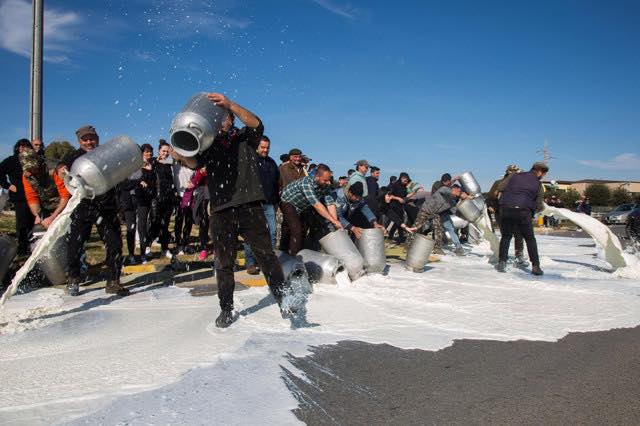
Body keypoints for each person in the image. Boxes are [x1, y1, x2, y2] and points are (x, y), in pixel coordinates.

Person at [171, 92, 291, 328]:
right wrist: (182, 157)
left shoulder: (244, 137)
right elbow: (196, 162)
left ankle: (283, 298)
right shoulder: (209, 141)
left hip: (250, 205)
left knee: (266, 256)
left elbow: (257, 122)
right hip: (221, 209)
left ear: (230, 118)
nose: (220, 120)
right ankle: (226, 308)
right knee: (224, 263)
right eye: (217, 116)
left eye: (223, 116)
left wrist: (230, 104)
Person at [62, 125, 128, 296]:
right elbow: (62, 171)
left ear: (97, 139)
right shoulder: (73, 157)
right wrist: (61, 170)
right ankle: (74, 279)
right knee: (75, 244)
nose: (89, 142)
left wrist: (119, 206)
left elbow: (118, 177)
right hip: (82, 207)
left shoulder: (105, 156)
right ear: (79, 141)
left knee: (114, 244)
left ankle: (113, 281)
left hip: (106, 208)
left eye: (92, 138)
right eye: (85, 139)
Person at [496, 162, 549, 275]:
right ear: (539, 171)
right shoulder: (538, 185)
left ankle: (502, 263)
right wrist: (538, 209)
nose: (543, 175)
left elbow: (500, 187)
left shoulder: (513, 175)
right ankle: (536, 266)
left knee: (506, 236)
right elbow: (539, 205)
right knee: (530, 239)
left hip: (505, 208)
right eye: (544, 173)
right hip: (523, 211)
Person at [280, 164, 342, 255]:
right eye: (325, 180)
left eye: (328, 180)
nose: (328, 182)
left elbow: (330, 204)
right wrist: (333, 220)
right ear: (317, 176)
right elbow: (317, 205)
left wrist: (336, 222)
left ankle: (295, 252)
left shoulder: (325, 186)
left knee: (302, 230)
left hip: (302, 206)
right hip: (288, 202)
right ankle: (293, 259)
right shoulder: (306, 183)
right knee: (296, 230)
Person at [244, 135, 279, 275]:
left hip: (269, 203)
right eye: (262, 147)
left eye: (267, 148)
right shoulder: (249, 161)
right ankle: (251, 262)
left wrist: (276, 201)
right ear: (256, 147)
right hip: (252, 204)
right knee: (251, 234)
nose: (265, 150)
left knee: (272, 232)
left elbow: (276, 183)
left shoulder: (271, 163)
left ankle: (266, 261)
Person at [0, 139, 35, 255]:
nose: (23, 149)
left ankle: (32, 247)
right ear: (17, 148)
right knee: (22, 223)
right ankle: (22, 248)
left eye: (26, 146)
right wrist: (7, 185)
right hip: (20, 196)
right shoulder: (12, 160)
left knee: (32, 222)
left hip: (34, 196)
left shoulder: (32, 160)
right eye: (21, 146)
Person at [20, 148, 70, 228]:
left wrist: (53, 216)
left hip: (65, 206)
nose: (31, 171)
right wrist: (38, 215)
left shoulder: (55, 168)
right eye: (28, 169)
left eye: (33, 168)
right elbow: (32, 198)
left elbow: (65, 195)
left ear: (39, 161)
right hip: (47, 207)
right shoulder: (26, 175)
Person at [487, 165, 527, 265]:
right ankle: (503, 258)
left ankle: (519, 255)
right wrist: (491, 206)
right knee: (506, 235)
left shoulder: (521, 184)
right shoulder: (499, 183)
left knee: (519, 235)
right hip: (501, 212)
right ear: (509, 172)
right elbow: (491, 196)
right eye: (514, 172)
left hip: (517, 212)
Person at [412, 184, 468, 256]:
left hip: (436, 214)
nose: (457, 195)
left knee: (438, 230)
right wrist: (460, 194)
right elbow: (451, 192)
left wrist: (467, 216)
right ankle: (408, 244)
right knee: (416, 227)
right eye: (458, 191)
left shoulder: (452, 202)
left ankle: (437, 248)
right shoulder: (444, 189)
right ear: (454, 189)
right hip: (426, 210)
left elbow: (456, 211)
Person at [143, 140, 176, 259]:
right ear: (159, 151)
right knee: (155, 223)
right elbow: (148, 170)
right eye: (163, 151)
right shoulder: (153, 162)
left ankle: (165, 248)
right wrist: (155, 161)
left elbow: (171, 182)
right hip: (156, 199)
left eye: (167, 151)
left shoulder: (169, 165)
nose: (165, 153)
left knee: (165, 224)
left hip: (168, 199)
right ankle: (147, 246)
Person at [117, 167, 141, 265]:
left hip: (139, 200)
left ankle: (141, 251)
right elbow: (123, 185)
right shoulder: (121, 170)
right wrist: (138, 181)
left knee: (140, 226)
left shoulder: (138, 168)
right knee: (131, 228)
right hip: (127, 203)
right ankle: (130, 254)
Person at [173, 157, 196, 255]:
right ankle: (178, 244)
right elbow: (173, 152)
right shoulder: (176, 163)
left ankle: (185, 243)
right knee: (179, 220)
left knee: (188, 221)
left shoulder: (193, 164)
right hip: (180, 195)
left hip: (191, 195)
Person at [135, 144, 155, 262]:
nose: (149, 154)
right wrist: (140, 181)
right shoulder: (137, 165)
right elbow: (132, 178)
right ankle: (143, 249)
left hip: (152, 197)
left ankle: (148, 243)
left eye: (150, 152)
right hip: (141, 198)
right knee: (142, 222)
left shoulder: (153, 164)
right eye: (147, 152)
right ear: (142, 153)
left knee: (153, 220)